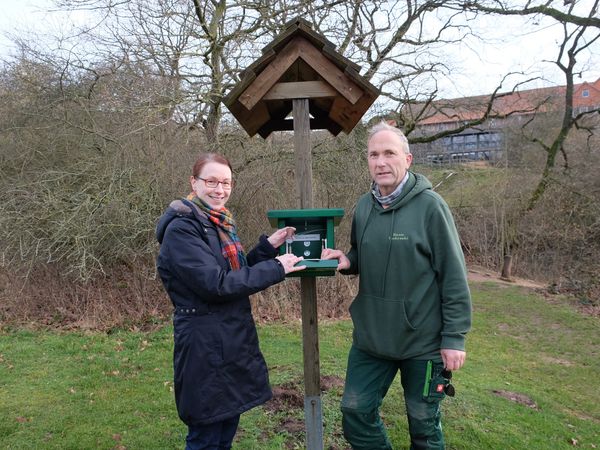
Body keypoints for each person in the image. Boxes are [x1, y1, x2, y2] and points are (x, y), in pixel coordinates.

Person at [321, 121, 472, 450]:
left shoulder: (431, 207)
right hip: (371, 340)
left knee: (424, 428)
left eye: (389, 153)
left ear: (408, 159)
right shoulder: (364, 207)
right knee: (355, 412)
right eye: (373, 154)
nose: (380, 162)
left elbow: (454, 275)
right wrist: (347, 260)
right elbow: (363, 253)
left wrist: (454, 338)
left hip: (423, 343)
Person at [156, 153, 305, 450]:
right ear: (194, 183)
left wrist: (267, 249)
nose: (219, 189)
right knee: (206, 436)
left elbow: (233, 273)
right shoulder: (183, 229)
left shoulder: (218, 223)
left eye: (225, 182)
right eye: (211, 181)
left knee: (224, 430)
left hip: (229, 340)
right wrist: (276, 268)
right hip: (204, 345)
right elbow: (217, 285)